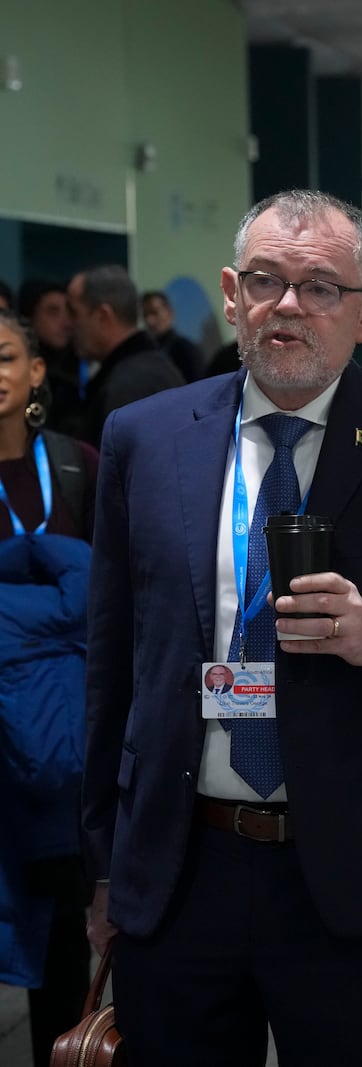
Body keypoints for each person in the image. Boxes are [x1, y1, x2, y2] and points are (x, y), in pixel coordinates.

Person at [81, 189, 362, 1066]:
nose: (288, 305)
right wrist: (105, 862)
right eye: (265, 280)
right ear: (231, 293)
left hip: (353, 866)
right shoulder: (145, 440)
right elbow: (112, 662)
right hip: (181, 867)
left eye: (321, 286)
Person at [0, 308, 99, 1067]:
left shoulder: (78, 465)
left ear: (36, 372)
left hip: (59, 744)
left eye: (4, 357)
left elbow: (118, 591)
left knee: (66, 953)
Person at [68, 265, 185, 446]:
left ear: (103, 316)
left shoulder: (127, 386)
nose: (69, 324)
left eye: (74, 313)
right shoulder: (155, 367)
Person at [18, 281, 87, 438]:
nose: (66, 322)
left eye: (69, 312)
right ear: (30, 316)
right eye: (53, 312)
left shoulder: (81, 365)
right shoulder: (20, 373)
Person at [141, 289, 208, 382]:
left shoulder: (186, 350)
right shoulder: (146, 354)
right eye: (145, 315)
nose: (150, 321)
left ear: (169, 313)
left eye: (154, 313)